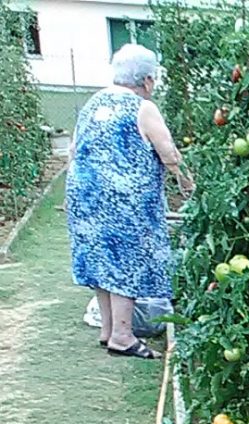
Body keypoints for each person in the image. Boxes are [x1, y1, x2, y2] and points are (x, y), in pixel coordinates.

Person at [66, 44, 193, 359]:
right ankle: (123, 336)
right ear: (148, 80)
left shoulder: (94, 102)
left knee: (101, 261)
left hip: (85, 197)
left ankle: (108, 330)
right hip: (124, 204)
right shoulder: (142, 107)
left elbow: (73, 150)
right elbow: (169, 154)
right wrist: (187, 181)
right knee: (124, 264)